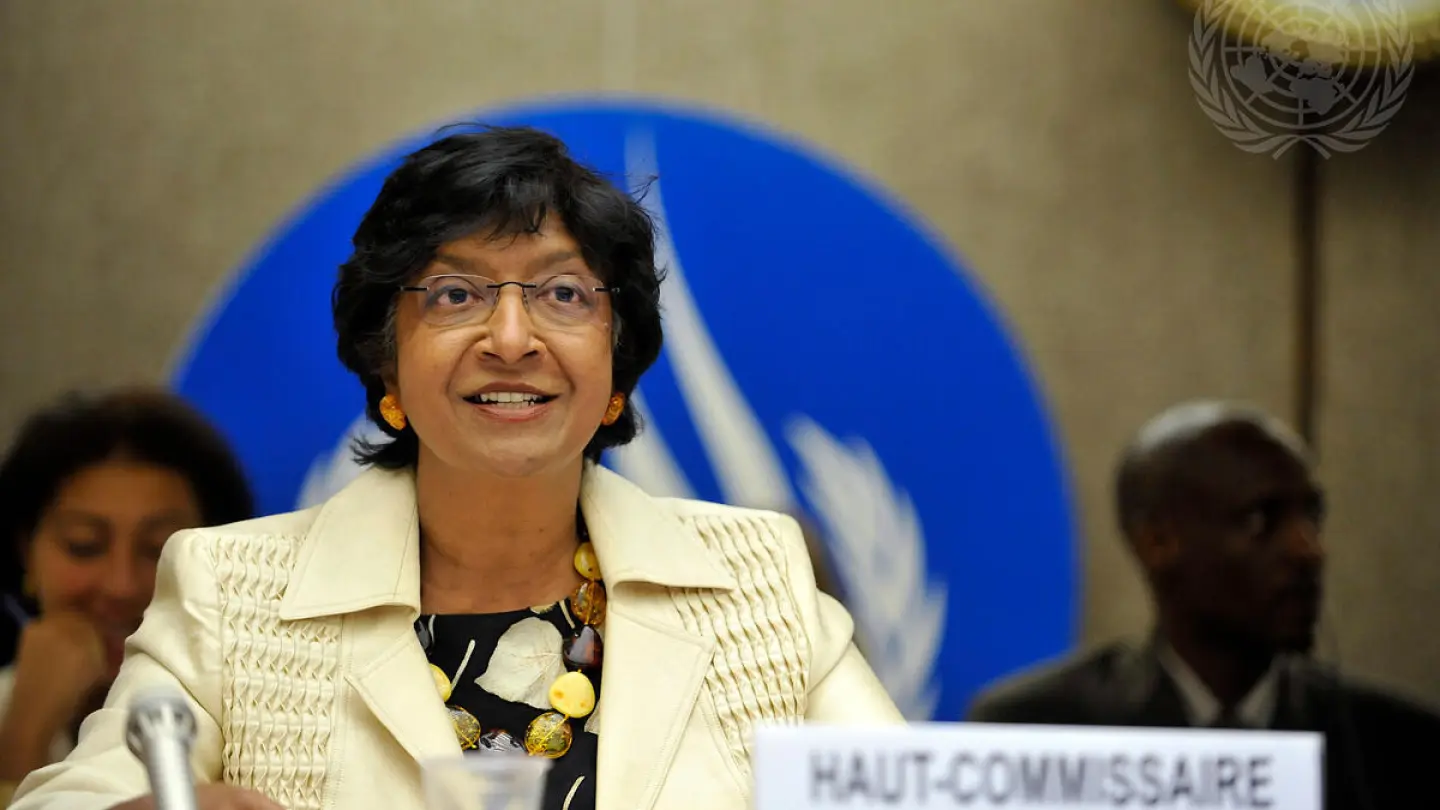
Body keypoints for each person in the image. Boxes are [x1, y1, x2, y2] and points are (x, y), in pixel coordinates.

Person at [11, 125, 902, 810]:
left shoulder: (755, 580)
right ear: (387, 362)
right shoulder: (229, 591)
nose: (510, 339)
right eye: (455, 294)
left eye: (562, 293)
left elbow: (914, 792)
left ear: (617, 367)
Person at [965, 400, 1440, 810]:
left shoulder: (1396, 748)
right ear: (1157, 543)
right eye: (1261, 520)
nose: (1308, 550)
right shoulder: (1035, 734)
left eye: (1312, 517)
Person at [0, 388, 255, 804]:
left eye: (160, 549)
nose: (122, 585)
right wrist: (24, 735)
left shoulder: (266, 719)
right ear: (26, 551)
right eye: (84, 546)